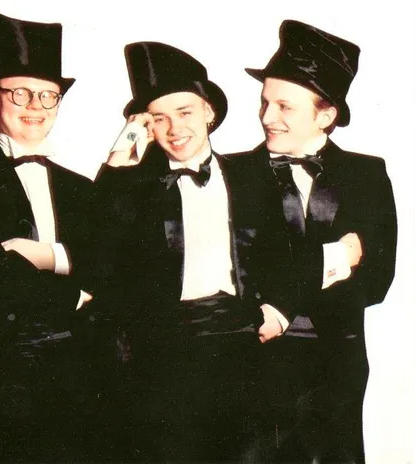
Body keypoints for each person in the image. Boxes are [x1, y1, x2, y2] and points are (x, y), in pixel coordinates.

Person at [92, 41, 296, 462]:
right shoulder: (130, 187)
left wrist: (278, 313)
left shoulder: (254, 175)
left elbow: (288, 252)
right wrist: (120, 154)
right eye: (159, 119)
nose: (174, 129)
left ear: (208, 111)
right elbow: (98, 254)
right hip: (161, 351)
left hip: (241, 341)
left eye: (184, 112)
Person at [0, 12, 110, 463]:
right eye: (21, 93)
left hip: (84, 360)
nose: (36, 106)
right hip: (11, 363)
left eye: (48, 95)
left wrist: (46, 255)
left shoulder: (80, 187)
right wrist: (75, 293)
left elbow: (107, 260)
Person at [232, 19, 397, 463]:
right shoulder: (230, 173)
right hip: (254, 361)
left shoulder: (367, 174)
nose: (267, 117)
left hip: (336, 367)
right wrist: (336, 257)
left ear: (325, 115)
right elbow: (239, 274)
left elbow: (378, 279)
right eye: (265, 102)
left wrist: (292, 284)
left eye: (284, 106)